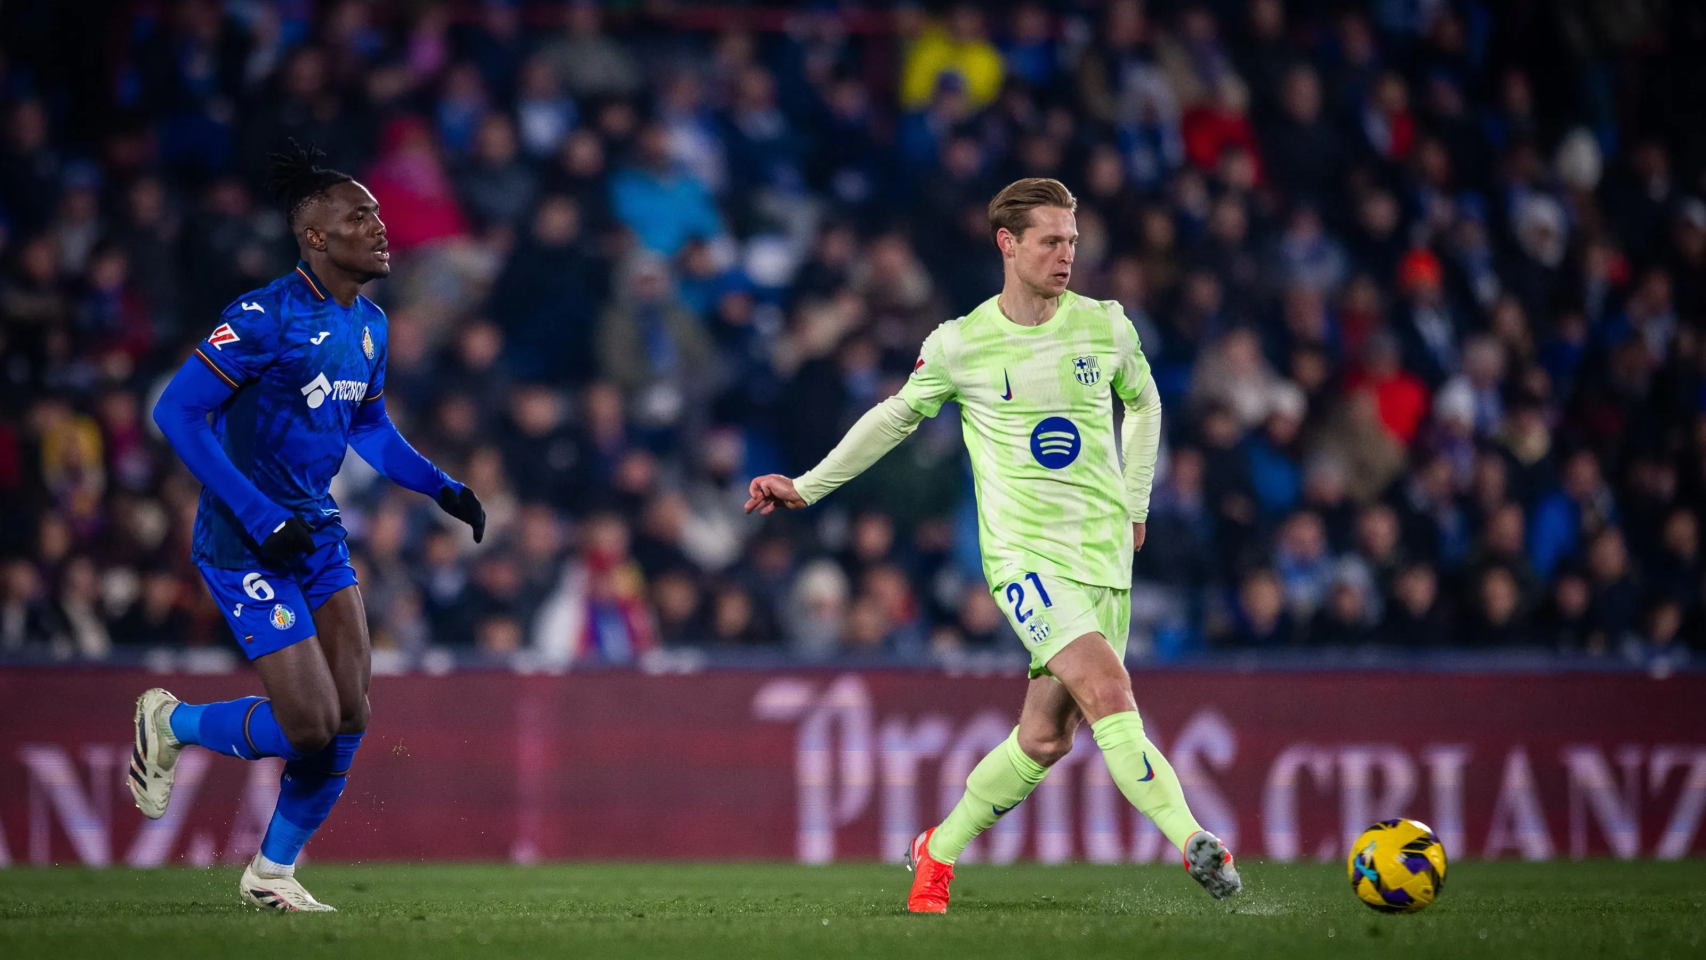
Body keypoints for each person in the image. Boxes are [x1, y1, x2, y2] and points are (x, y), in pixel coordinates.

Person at [745, 179, 1239, 911]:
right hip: (1025, 561)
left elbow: (1145, 402)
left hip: (1104, 558)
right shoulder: (961, 343)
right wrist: (810, 485)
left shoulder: (1106, 326)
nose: (1067, 254)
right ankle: (1197, 840)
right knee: (1109, 691)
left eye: (1072, 240)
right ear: (1007, 244)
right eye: (1051, 240)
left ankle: (935, 852)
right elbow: (895, 417)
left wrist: (1136, 502)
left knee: (1045, 740)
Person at [127, 143, 485, 911]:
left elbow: (372, 430)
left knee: (353, 713)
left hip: (316, 531)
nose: (381, 227)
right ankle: (172, 721)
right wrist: (258, 513)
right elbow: (176, 413)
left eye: (380, 213)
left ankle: (272, 873)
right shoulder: (262, 317)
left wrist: (442, 487)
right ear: (316, 237)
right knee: (313, 723)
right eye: (361, 216)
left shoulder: (371, 326)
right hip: (242, 537)